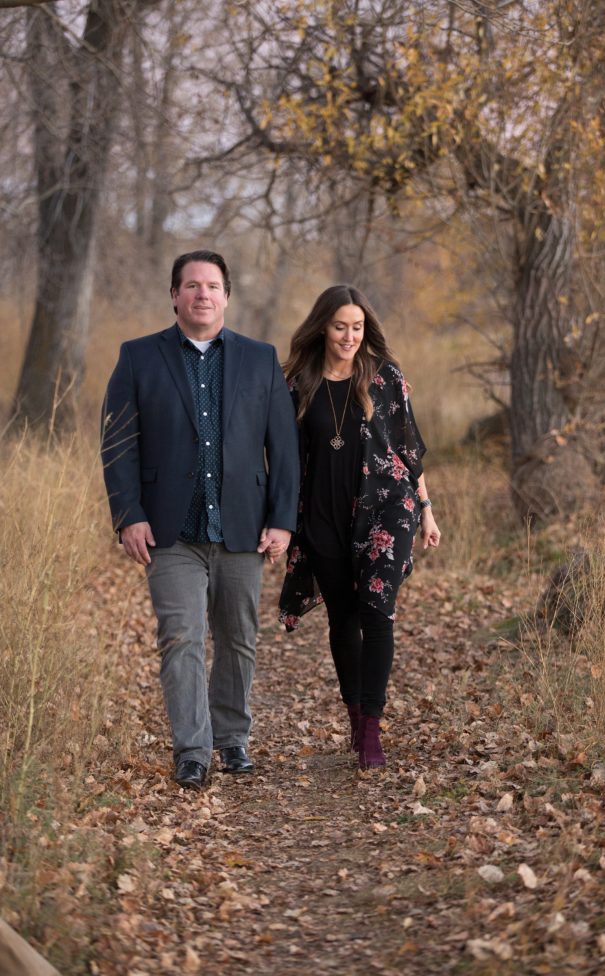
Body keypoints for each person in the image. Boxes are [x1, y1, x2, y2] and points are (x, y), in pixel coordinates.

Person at [101, 250, 299, 790]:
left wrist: (283, 520)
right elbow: (118, 445)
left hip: (242, 525)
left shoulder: (260, 360)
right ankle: (194, 748)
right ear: (174, 296)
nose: (202, 294)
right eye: (191, 285)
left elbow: (283, 448)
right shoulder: (138, 357)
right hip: (168, 530)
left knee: (238, 638)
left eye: (212, 285)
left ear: (227, 296)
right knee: (181, 637)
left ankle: (232, 738)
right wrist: (128, 515)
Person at [278, 285, 440, 769]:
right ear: (322, 328)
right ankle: (354, 715)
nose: (349, 336)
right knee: (343, 619)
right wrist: (282, 521)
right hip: (324, 512)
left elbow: (409, 450)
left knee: (377, 610)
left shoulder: (386, 377)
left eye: (357, 327)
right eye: (339, 326)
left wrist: (427, 509)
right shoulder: (298, 384)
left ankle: (371, 729)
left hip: (386, 509)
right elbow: (285, 457)